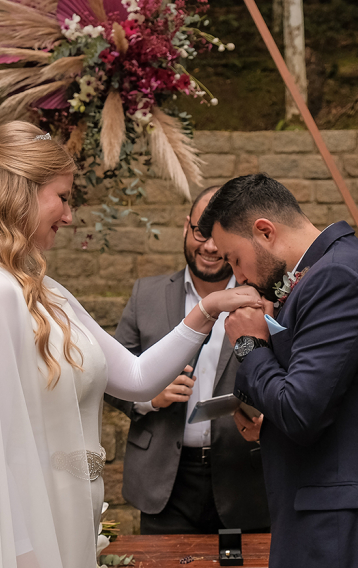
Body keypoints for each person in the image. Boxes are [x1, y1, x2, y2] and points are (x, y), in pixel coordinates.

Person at [0, 122, 261, 568]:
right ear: (20, 193)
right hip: (21, 544)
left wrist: (208, 308)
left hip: (67, 527)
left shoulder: (48, 292)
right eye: (62, 198)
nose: (69, 216)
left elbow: (138, 379)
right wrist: (24, 556)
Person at [197, 173, 358, 568]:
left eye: (234, 259)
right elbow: (326, 398)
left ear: (264, 232)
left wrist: (249, 344)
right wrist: (266, 417)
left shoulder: (337, 277)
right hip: (339, 522)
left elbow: (300, 412)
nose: (239, 277)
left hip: (356, 532)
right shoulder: (317, 275)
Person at [105, 186, 271, 535]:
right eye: (200, 232)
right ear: (186, 227)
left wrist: (267, 422)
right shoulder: (145, 294)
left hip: (245, 480)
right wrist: (149, 397)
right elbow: (107, 376)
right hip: (163, 482)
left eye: (217, 237)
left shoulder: (261, 298)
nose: (209, 246)